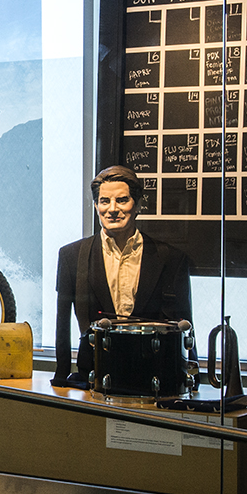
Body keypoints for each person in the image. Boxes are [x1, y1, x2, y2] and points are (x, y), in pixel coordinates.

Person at [51, 165, 193, 388]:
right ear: (96, 205)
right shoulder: (71, 256)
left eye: (122, 200)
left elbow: (186, 325)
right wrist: (61, 376)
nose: (112, 209)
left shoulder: (170, 258)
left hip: (154, 381)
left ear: (137, 205)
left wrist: (191, 377)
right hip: (93, 379)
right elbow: (62, 323)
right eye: (104, 201)